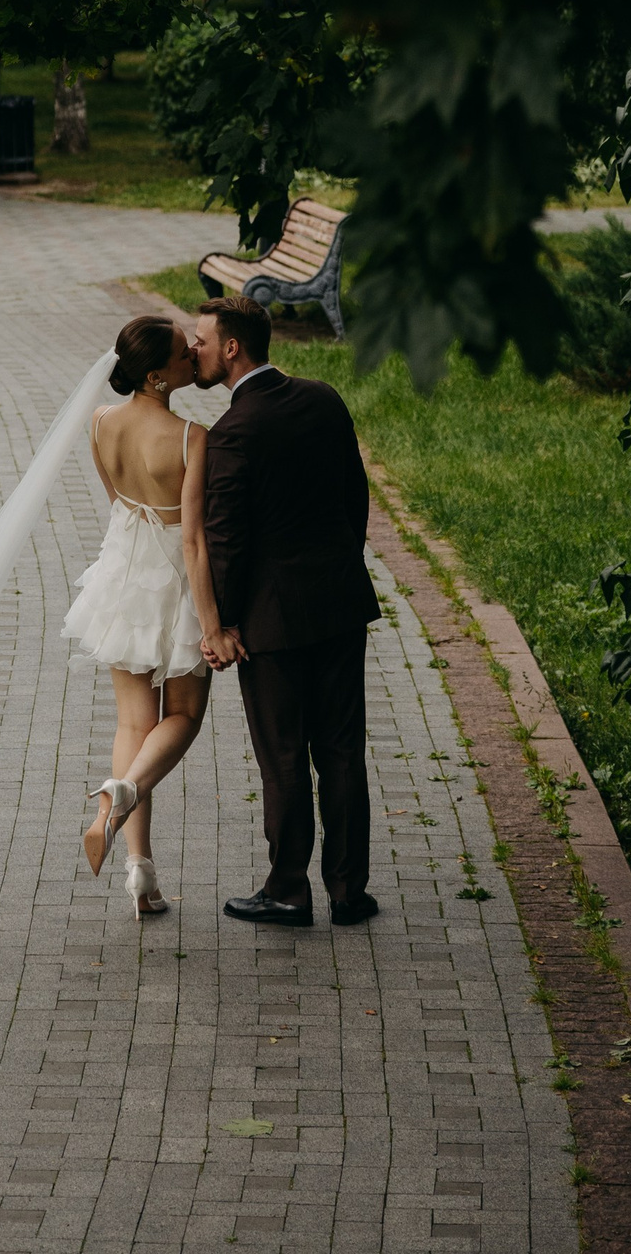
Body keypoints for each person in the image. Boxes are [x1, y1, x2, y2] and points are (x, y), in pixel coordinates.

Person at [186, 293, 382, 929]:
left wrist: (222, 624)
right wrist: (339, 566)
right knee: (342, 751)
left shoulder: (233, 433)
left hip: (271, 624)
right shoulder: (323, 398)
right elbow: (356, 496)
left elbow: (225, 540)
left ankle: (289, 891)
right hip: (340, 605)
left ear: (232, 347)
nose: (194, 349)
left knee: (285, 758)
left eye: (201, 340)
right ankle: (349, 892)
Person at [63, 315, 222, 916]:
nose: (193, 358)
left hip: (122, 577)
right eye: (183, 354)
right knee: (183, 716)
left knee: (134, 725)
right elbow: (194, 542)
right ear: (156, 375)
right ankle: (120, 796)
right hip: (175, 583)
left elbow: (120, 505)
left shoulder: (101, 421)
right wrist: (211, 623)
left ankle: (140, 871)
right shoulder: (190, 437)